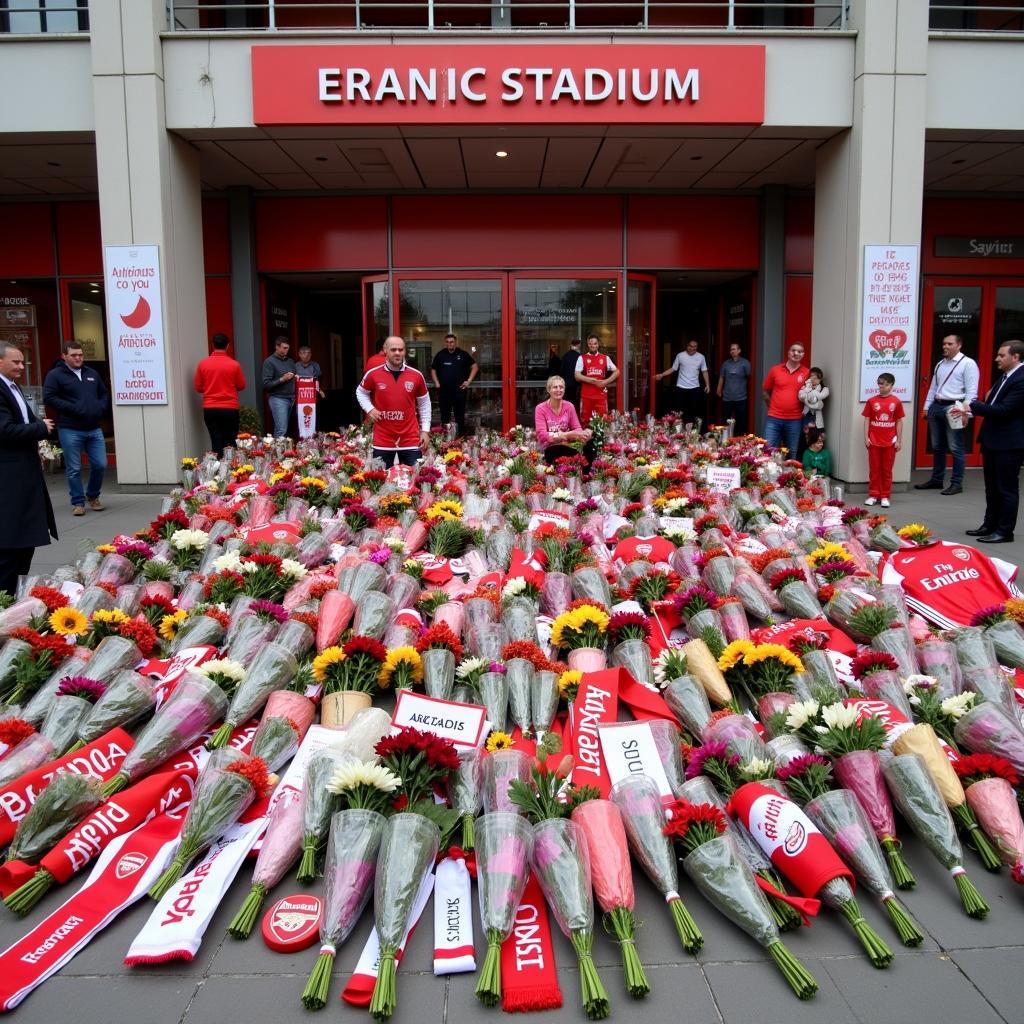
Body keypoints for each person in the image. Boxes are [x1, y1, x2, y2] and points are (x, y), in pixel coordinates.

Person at [0, 342, 57, 595]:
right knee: (10, 546)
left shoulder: (14, 387)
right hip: (10, 480)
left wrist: (38, 430)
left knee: (24, 543)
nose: (22, 367)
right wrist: (40, 428)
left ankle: (15, 596)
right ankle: (6, 598)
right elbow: (5, 430)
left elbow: (24, 419)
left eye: (23, 362)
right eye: (16, 362)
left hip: (25, 476)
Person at [959, 339, 1024, 544]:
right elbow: (993, 404)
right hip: (993, 441)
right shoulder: (1005, 377)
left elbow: (1005, 410)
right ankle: (990, 524)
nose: (997, 358)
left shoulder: (1021, 379)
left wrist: (972, 406)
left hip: (1009, 443)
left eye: (1001, 355)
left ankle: (1005, 531)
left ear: (1015, 357)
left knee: (1006, 489)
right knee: (992, 487)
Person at [42, 339, 109, 516]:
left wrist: (99, 407)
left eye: (80, 355)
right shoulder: (55, 375)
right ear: (64, 356)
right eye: (74, 355)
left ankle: (93, 496)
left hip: (93, 427)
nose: (78, 358)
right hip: (70, 428)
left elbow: (103, 394)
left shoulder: (92, 373)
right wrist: (73, 408)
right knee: (74, 468)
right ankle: (78, 502)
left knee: (100, 464)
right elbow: (49, 397)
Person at [915, 333, 979, 496]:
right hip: (937, 405)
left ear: (959, 345)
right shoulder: (940, 364)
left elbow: (972, 391)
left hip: (954, 407)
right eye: (944, 343)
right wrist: (927, 407)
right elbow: (932, 387)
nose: (945, 346)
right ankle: (937, 480)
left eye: (949, 344)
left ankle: (956, 483)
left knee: (956, 447)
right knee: (937, 446)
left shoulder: (968, 364)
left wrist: (966, 411)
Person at [355, 335, 430, 466]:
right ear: (385, 350)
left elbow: (424, 403)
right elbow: (360, 392)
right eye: (393, 349)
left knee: (415, 479)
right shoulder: (373, 374)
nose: (397, 353)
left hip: (410, 438)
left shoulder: (416, 375)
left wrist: (425, 430)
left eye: (401, 350)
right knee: (380, 480)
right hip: (383, 439)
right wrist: (370, 408)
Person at [193, 332, 246, 457]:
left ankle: (217, 472)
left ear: (212, 345)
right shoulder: (234, 365)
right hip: (229, 408)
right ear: (227, 346)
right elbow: (242, 385)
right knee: (230, 440)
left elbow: (198, 387)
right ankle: (232, 471)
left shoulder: (203, 364)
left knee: (215, 439)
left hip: (210, 408)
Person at [861, 372, 904, 508]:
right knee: (874, 469)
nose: (882, 387)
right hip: (874, 441)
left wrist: (899, 440)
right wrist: (866, 437)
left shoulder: (896, 401)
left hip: (890, 442)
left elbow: (899, 421)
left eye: (885, 384)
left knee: (887, 470)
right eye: (880, 384)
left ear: (891, 385)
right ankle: (873, 494)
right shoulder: (872, 401)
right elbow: (867, 420)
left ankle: (885, 495)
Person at [762, 342, 809, 455]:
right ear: (788, 352)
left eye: (799, 351)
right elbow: (765, 391)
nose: (796, 353)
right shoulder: (775, 370)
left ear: (803, 355)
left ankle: (790, 473)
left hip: (795, 420)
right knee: (768, 450)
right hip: (774, 418)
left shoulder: (807, 373)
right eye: (793, 350)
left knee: (791, 452)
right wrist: (771, 406)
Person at [534, 375, 592, 465]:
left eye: (561, 387)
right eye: (555, 387)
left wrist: (584, 434)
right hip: (548, 449)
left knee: (589, 448)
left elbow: (577, 429)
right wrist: (566, 435)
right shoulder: (541, 408)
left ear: (564, 390)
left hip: (567, 447)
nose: (558, 390)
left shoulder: (569, 406)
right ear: (548, 390)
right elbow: (542, 435)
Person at [430, 333, 477, 437]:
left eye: (451, 342)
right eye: (447, 342)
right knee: (444, 416)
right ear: (445, 343)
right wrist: (437, 382)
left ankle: (460, 438)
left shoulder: (463, 354)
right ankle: (445, 439)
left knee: (459, 416)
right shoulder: (440, 355)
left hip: (459, 391)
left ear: (455, 342)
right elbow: (433, 370)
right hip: (444, 391)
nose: (449, 344)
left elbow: (474, 367)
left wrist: (468, 381)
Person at [657, 339, 709, 424]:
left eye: (695, 347)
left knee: (693, 411)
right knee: (680, 411)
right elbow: (673, 369)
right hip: (681, 387)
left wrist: (708, 385)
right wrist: (662, 375)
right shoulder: (680, 355)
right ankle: (679, 431)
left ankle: (691, 431)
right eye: (691, 346)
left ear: (697, 347)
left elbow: (704, 371)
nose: (692, 348)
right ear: (687, 346)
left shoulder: (701, 357)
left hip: (695, 388)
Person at [575, 333, 619, 425]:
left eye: (595, 343)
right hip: (586, 396)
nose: (593, 345)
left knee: (602, 421)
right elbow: (577, 376)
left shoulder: (605, 358)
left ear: (598, 344)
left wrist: (605, 382)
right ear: (588, 344)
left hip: (601, 396)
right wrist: (593, 381)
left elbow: (617, 372)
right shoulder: (581, 358)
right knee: (585, 422)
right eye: (591, 343)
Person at [261, 336, 297, 438]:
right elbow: (266, 384)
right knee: (281, 429)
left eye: (288, 348)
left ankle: (280, 451)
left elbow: (294, 376)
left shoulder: (290, 361)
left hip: (292, 398)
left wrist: (296, 377)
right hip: (278, 398)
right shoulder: (269, 362)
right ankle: (278, 453)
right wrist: (282, 379)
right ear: (277, 347)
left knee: (283, 428)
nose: (286, 350)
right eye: (284, 348)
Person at [717, 342, 751, 435]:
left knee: (741, 422)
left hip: (741, 398)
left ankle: (739, 441)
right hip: (727, 397)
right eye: (731, 349)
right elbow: (722, 377)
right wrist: (718, 389)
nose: (732, 351)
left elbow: (749, 377)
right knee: (726, 421)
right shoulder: (726, 364)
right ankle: (726, 439)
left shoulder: (745, 363)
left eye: (734, 349)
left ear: (739, 351)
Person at [797, 366, 829, 457]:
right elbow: (801, 397)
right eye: (812, 377)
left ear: (820, 378)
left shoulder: (824, 389)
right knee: (804, 441)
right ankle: (803, 463)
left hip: (817, 420)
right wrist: (808, 391)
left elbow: (819, 397)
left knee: (817, 440)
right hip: (806, 418)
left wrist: (809, 397)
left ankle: (817, 463)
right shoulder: (805, 387)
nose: (814, 380)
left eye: (816, 378)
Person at [561, 338, 583, 410]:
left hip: (566, 382)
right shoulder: (579, 357)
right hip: (576, 383)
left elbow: (562, 370)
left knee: (567, 400)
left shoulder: (565, 355)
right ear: (578, 345)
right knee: (575, 401)